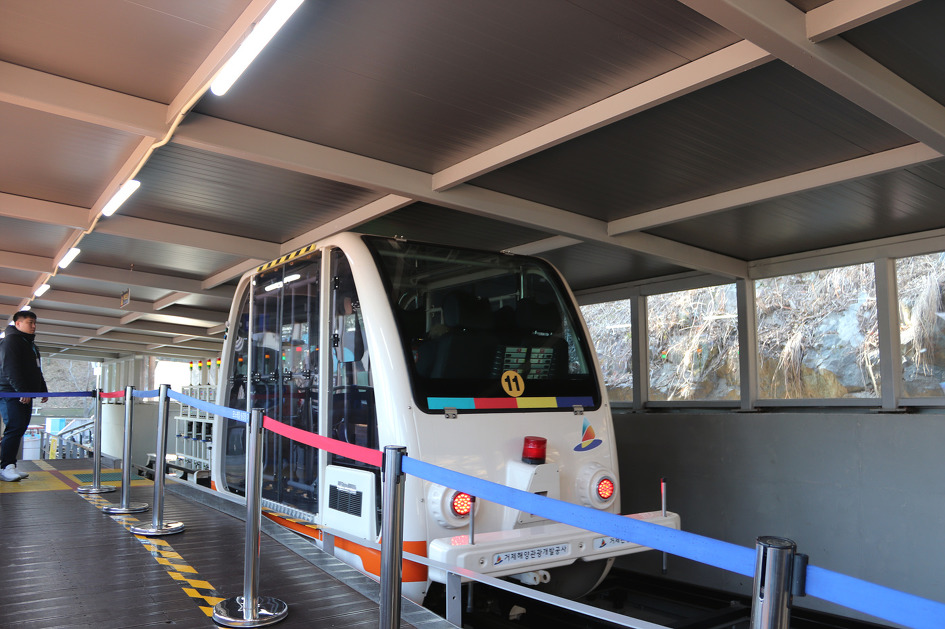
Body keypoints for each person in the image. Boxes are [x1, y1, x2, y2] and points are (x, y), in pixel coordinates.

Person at [0, 311, 48, 481]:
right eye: (30, 322)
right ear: (18, 323)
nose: (33, 326)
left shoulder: (29, 344)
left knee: (20, 427)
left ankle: (10, 465)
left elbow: (36, 368)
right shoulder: (11, 341)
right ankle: (5, 466)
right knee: (14, 428)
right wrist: (21, 391)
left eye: (35, 323)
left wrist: (42, 388)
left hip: (24, 393)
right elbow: (9, 368)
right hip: (12, 393)